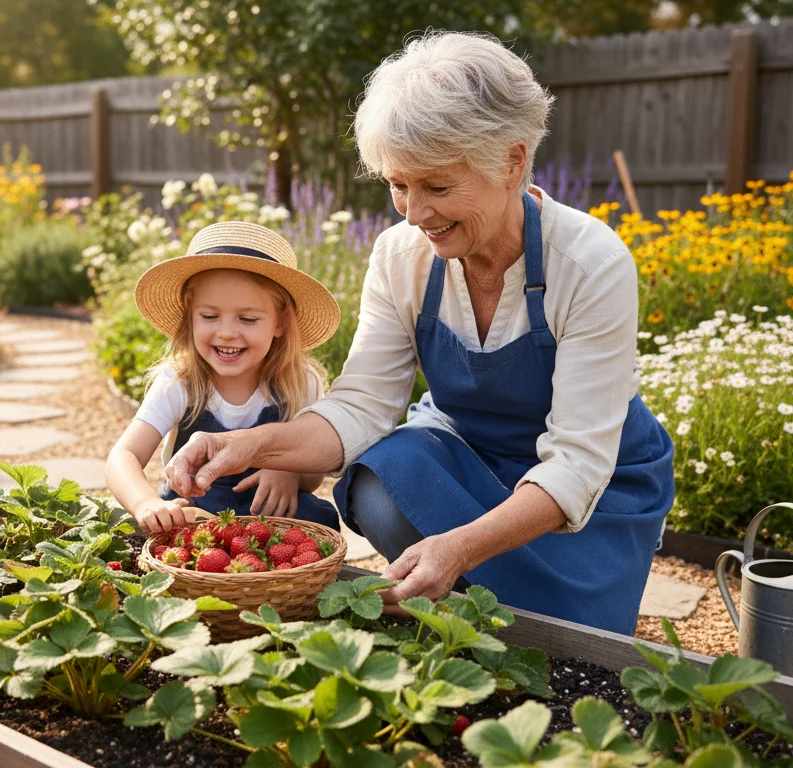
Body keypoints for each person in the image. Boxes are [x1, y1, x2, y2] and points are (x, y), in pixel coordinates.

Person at [162, 32, 674, 634]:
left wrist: (457, 547)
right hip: (464, 451)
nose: (412, 213)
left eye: (436, 187)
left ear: (511, 162)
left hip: (591, 485)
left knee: (572, 639)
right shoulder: (402, 255)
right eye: (397, 185)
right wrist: (250, 445)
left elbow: (577, 463)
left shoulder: (590, 263)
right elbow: (362, 406)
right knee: (380, 478)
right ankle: (457, 599)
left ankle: (473, 584)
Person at [106, 221, 343, 535]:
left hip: (269, 518)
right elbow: (123, 455)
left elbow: (315, 470)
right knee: (135, 529)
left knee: (319, 518)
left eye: (247, 318)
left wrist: (289, 472)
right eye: (209, 316)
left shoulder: (300, 383)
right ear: (190, 315)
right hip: (198, 516)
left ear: (280, 322)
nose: (228, 332)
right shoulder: (180, 383)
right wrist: (145, 502)